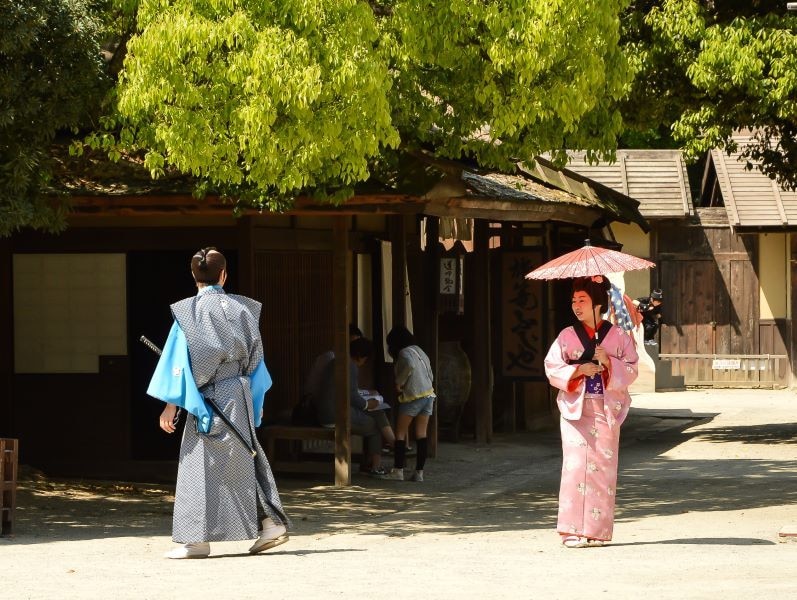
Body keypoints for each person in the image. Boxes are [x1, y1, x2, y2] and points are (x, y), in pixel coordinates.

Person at [147, 247, 289, 559]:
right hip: (239, 393)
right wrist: (257, 399)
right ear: (224, 274)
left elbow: (178, 361)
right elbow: (256, 361)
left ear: (193, 275)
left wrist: (171, 404)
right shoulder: (244, 310)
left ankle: (197, 540)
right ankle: (269, 522)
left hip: (206, 396)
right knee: (242, 458)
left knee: (199, 465)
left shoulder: (187, 313)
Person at [544, 275, 638, 548]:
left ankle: (596, 530)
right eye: (574, 301)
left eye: (582, 300)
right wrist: (578, 370)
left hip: (605, 408)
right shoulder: (566, 336)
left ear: (598, 304)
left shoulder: (618, 336)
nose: (576, 306)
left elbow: (632, 367)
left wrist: (608, 361)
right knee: (574, 468)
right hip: (576, 409)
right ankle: (571, 530)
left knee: (602, 470)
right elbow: (552, 367)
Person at [303, 336, 394, 476]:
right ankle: (378, 464)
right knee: (375, 426)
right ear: (360, 356)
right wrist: (367, 404)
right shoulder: (350, 366)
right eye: (365, 359)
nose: (364, 363)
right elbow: (352, 395)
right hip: (335, 415)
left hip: (326, 411)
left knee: (376, 413)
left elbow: (347, 391)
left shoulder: (335, 362)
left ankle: (393, 445)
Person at [381, 326, 436, 482]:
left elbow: (410, 365)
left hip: (413, 396)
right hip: (428, 394)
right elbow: (429, 370)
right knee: (421, 434)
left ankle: (398, 471)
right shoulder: (419, 350)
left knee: (400, 434)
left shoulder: (404, 352)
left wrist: (399, 383)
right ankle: (419, 473)